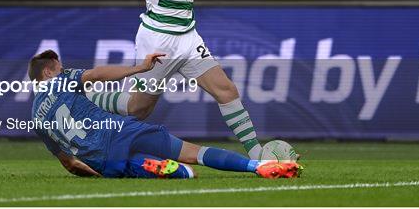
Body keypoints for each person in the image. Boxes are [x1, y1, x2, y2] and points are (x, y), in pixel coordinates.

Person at [111, 0, 263, 160]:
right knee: (137, 109)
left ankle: (258, 154)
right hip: (159, 40)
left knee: (226, 90)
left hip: (188, 38)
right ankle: (88, 94)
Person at [29, 50, 302, 179]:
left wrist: (98, 175)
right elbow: (97, 74)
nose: (63, 69)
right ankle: (257, 166)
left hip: (100, 157)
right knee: (193, 151)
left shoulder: (36, 119)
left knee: (126, 166)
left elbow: (70, 164)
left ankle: (163, 170)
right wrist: (138, 69)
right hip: (120, 129)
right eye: (60, 67)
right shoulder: (63, 79)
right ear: (49, 71)